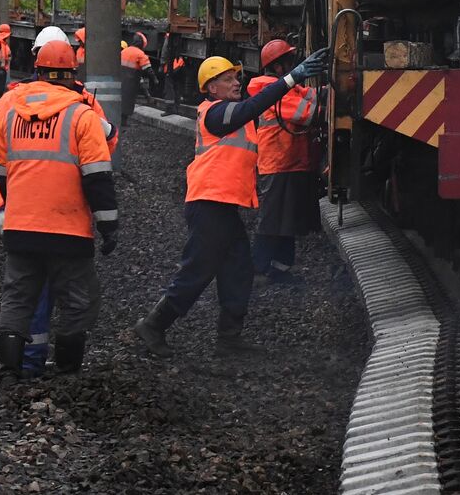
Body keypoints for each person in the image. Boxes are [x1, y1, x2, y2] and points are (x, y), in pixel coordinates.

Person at [133, 47, 329, 359]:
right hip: (209, 204)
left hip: (221, 205)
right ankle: (154, 324)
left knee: (238, 269)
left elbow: (262, 110)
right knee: (197, 271)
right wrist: (292, 78)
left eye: (236, 77)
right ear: (212, 88)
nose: (237, 82)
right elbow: (252, 107)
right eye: (228, 79)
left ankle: (229, 338)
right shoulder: (213, 112)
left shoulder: (227, 110)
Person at [0, 25, 118, 378]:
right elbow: (98, 176)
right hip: (67, 229)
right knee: (77, 300)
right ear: (73, 73)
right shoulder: (83, 113)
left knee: (17, 297)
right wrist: (108, 226)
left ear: (36, 68)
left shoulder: (13, 110)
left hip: (21, 226)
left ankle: (12, 371)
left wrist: (3, 206)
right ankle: (67, 372)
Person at [247, 40, 323, 285]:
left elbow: (310, 95)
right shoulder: (271, 90)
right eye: (290, 62)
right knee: (272, 220)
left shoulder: (284, 89)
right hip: (279, 165)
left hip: (290, 163)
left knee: (286, 219)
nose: (294, 65)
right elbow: (309, 113)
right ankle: (258, 269)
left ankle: (280, 269)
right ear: (278, 67)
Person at [119, 38, 156, 125]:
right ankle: (123, 122)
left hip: (121, 80)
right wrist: (154, 79)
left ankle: (120, 121)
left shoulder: (123, 53)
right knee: (127, 102)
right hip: (131, 81)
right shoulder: (139, 54)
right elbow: (147, 69)